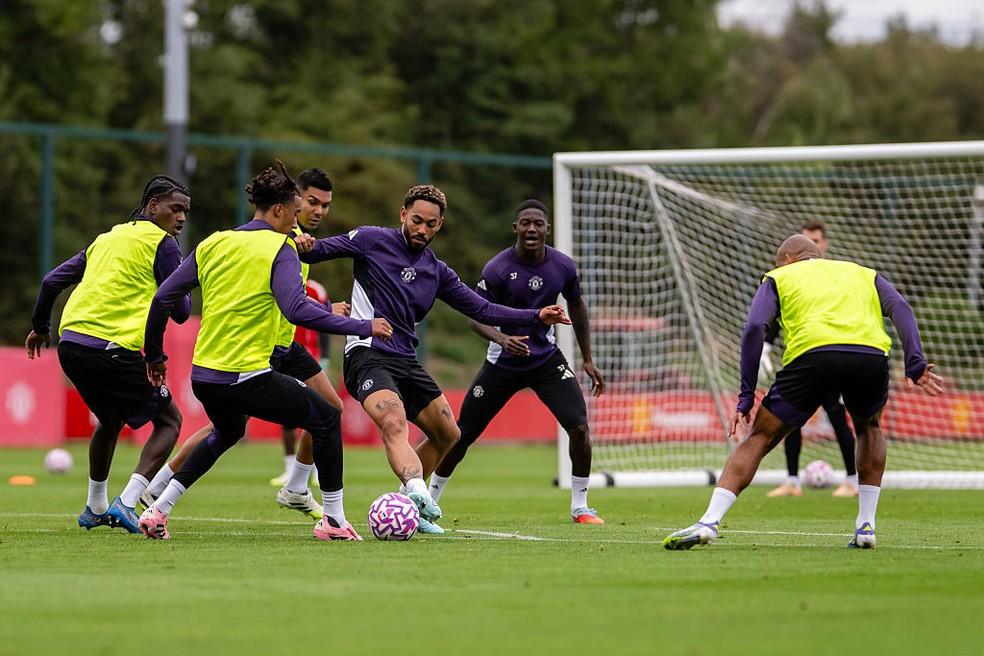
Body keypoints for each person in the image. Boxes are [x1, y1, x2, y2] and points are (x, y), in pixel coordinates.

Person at [137, 162, 392, 541]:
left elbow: (162, 299)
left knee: (226, 432)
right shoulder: (280, 245)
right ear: (278, 210)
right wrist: (362, 325)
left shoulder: (214, 242)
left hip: (204, 376)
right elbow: (296, 309)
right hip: (245, 376)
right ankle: (335, 520)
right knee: (324, 418)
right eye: (294, 211)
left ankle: (158, 509)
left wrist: (155, 356)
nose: (297, 221)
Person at [300, 185, 571, 534]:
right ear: (402, 215)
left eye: (430, 224)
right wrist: (304, 242)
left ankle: (407, 503)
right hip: (367, 353)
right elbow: (317, 251)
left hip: (405, 360)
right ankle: (416, 490)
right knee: (394, 423)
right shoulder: (370, 240)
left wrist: (536, 316)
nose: (421, 230)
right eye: (416, 221)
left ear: (440, 224)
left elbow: (483, 308)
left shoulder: (437, 271)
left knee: (449, 433)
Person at [663, 234, 943, 550]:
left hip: (813, 356)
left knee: (760, 437)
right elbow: (901, 307)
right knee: (869, 427)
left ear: (788, 259)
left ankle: (709, 522)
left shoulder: (779, 276)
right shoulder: (863, 273)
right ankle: (866, 526)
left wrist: (746, 395)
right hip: (869, 355)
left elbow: (756, 328)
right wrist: (915, 362)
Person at [25, 176, 192, 533]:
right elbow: (179, 310)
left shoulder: (108, 238)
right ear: (152, 206)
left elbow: (51, 281)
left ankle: (95, 507)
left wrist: (41, 327)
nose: (180, 218)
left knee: (110, 419)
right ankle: (127, 502)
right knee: (170, 422)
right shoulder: (162, 244)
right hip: (111, 347)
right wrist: (186, 278)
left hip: (71, 346)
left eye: (185, 212)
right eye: (174, 208)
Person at [428, 200, 607, 524]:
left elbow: (577, 306)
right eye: (525, 223)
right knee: (462, 433)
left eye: (538, 223)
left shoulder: (563, 266)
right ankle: (431, 498)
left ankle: (581, 507)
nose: (532, 229)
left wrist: (588, 359)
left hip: (545, 361)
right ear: (516, 228)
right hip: (502, 363)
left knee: (579, 427)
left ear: (547, 229)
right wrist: (501, 339)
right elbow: (475, 315)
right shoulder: (496, 269)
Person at [762, 220, 859, 498]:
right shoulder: (791, 278)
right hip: (799, 359)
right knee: (790, 416)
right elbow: (781, 314)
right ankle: (792, 481)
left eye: (815, 240)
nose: (809, 245)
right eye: (804, 240)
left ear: (824, 244)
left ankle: (852, 480)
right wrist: (767, 345)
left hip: (831, 357)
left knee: (838, 415)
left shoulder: (836, 275)